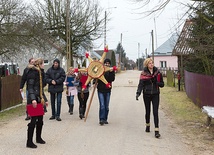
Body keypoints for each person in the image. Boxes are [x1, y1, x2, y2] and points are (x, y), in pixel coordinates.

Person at [136, 57, 164, 138]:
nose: (151, 64)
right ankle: (147, 125)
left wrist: (157, 82)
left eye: (152, 63)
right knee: (147, 111)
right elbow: (141, 84)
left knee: (155, 112)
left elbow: (162, 84)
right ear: (147, 64)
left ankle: (156, 130)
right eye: (150, 63)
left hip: (155, 94)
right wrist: (138, 93)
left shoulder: (158, 73)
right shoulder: (144, 73)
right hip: (146, 94)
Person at [26, 58, 48, 148]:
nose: (44, 65)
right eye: (43, 64)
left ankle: (38, 138)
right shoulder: (32, 73)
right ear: (39, 64)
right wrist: (33, 99)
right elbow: (30, 87)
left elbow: (40, 88)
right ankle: (29, 142)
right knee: (33, 120)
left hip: (40, 99)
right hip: (33, 99)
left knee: (40, 120)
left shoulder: (41, 73)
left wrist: (45, 99)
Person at [97, 58, 115, 125]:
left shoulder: (111, 71)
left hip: (107, 90)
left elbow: (112, 79)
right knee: (102, 105)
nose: (107, 64)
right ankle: (101, 119)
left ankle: (105, 118)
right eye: (106, 63)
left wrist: (111, 73)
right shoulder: (100, 69)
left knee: (106, 106)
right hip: (100, 90)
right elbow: (96, 77)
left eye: (108, 63)